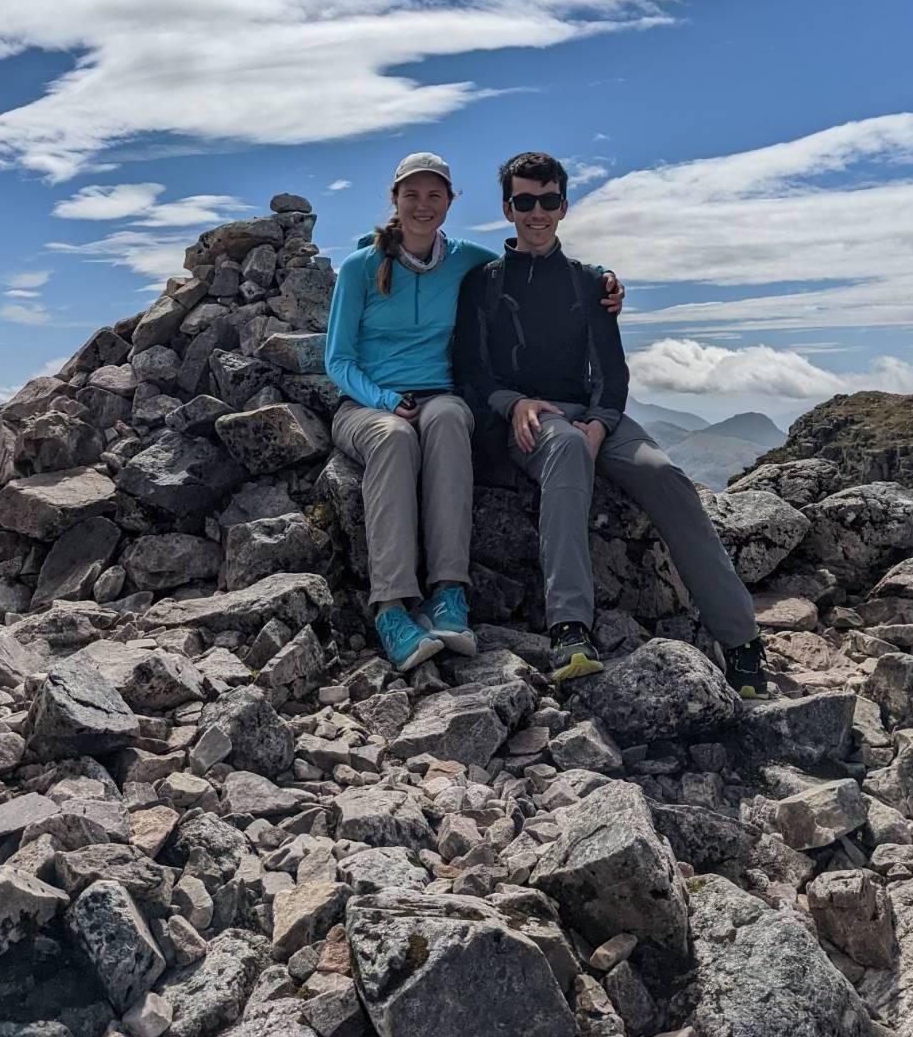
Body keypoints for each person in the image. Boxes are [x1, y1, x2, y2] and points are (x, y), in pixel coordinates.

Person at [453, 150, 769, 696]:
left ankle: (742, 641)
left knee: (664, 474)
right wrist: (514, 403)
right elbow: (470, 369)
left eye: (548, 201)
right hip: (525, 417)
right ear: (507, 209)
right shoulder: (482, 282)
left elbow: (612, 369)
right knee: (568, 451)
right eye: (525, 201)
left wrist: (600, 423)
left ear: (564, 206)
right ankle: (570, 630)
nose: (537, 212)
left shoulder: (590, 283)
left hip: (593, 414)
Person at [325, 152, 623, 672]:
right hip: (369, 401)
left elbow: (533, 261)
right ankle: (392, 608)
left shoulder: (465, 260)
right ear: (394, 199)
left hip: (439, 394)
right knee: (394, 437)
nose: (423, 205)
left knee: (449, 419)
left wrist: (604, 279)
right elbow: (338, 359)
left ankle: (449, 595)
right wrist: (386, 401)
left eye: (434, 195)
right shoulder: (361, 268)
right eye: (412, 194)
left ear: (449, 202)